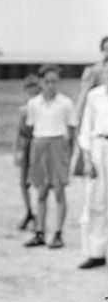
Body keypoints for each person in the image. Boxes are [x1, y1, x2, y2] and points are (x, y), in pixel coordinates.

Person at [24, 64, 77, 249]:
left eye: (54, 81)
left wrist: (69, 155)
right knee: (41, 191)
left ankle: (58, 233)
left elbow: (72, 130)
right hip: (40, 145)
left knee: (59, 191)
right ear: (41, 82)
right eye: (47, 82)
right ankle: (39, 232)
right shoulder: (33, 104)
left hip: (58, 145)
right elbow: (31, 129)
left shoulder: (66, 103)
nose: (51, 85)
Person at [77, 65, 108, 269]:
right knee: (97, 202)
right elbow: (85, 129)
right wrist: (87, 161)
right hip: (99, 148)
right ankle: (96, 252)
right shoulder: (94, 96)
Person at [71, 35, 108, 176]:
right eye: (106, 49)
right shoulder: (94, 71)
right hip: (94, 118)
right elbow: (83, 96)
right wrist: (77, 118)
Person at [14, 74, 41, 230]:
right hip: (25, 145)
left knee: (37, 182)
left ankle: (37, 213)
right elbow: (18, 132)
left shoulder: (40, 105)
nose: (31, 89)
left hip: (37, 145)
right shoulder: (24, 109)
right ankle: (29, 211)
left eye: (34, 86)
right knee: (23, 183)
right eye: (28, 86)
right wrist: (16, 151)